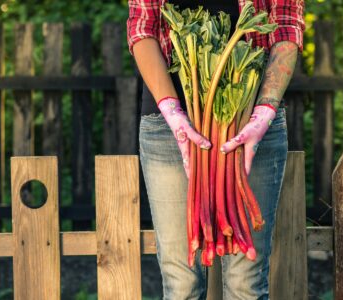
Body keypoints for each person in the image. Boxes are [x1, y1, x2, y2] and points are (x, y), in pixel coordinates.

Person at [127, 0, 305, 299]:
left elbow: (286, 24)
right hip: (167, 118)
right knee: (181, 284)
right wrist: (171, 109)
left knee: (246, 284)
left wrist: (265, 110)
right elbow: (142, 26)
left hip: (252, 111)